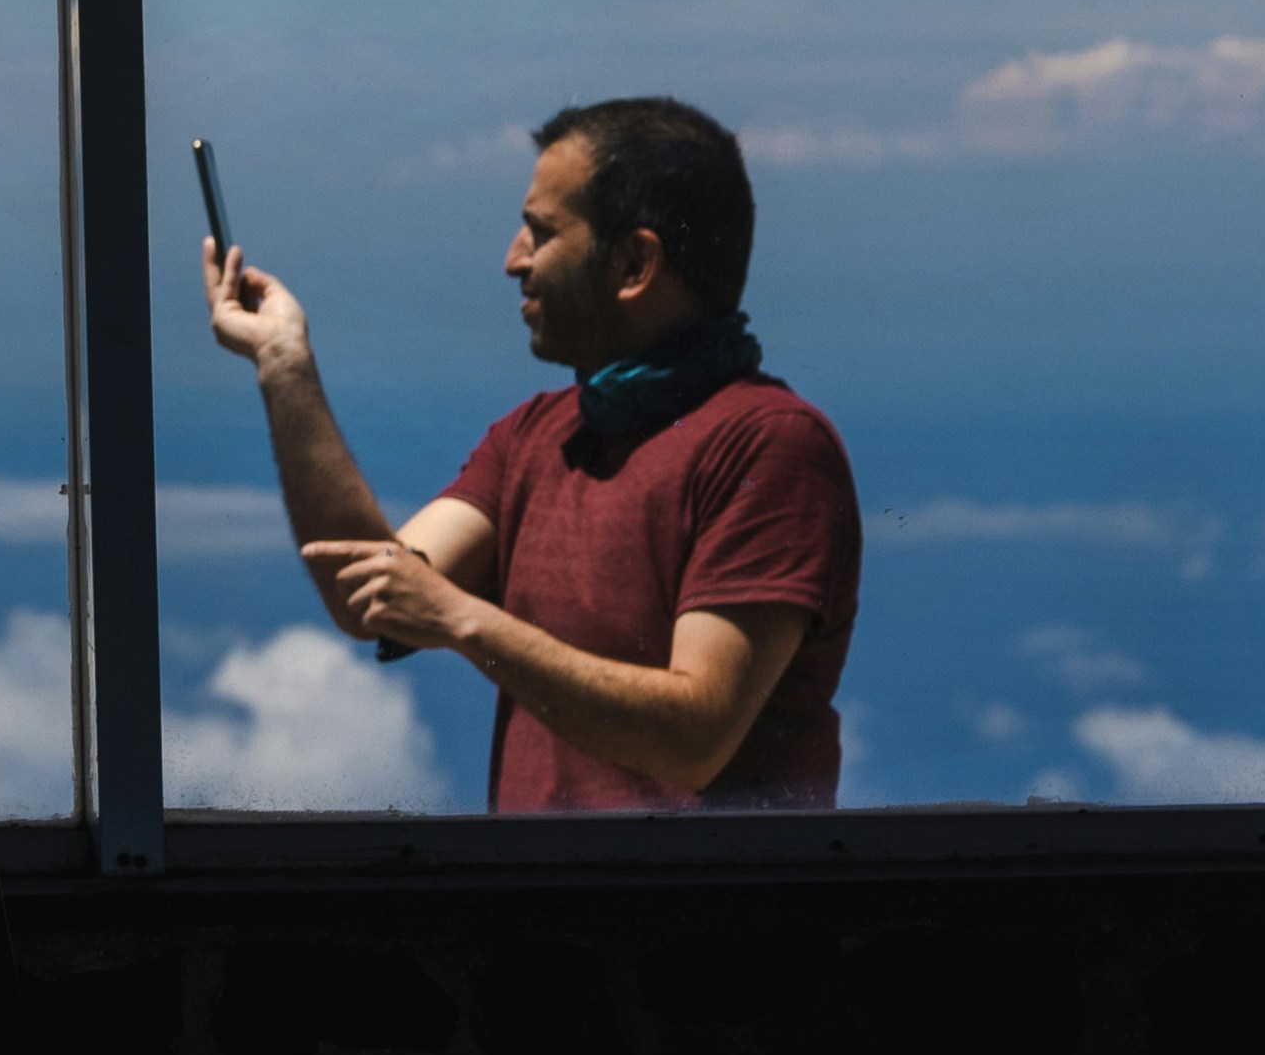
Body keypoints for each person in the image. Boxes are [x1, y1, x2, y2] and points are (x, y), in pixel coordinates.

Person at [199, 94, 859, 810]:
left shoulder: (772, 446)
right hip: (538, 916)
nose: (513, 259)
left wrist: (464, 620)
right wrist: (284, 363)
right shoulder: (535, 438)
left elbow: (694, 739)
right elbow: (372, 596)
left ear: (635, 261)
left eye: (541, 232)